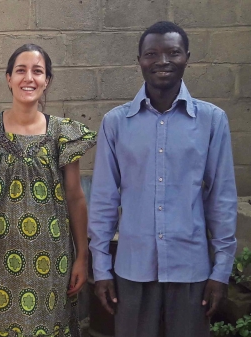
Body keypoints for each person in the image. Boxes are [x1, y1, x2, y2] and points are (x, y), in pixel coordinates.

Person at [88, 21, 237, 337]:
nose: (162, 61)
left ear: (187, 57)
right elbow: (103, 201)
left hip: (191, 270)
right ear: (139, 60)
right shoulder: (116, 123)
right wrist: (100, 268)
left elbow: (221, 200)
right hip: (132, 271)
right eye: (151, 53)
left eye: (173, 52)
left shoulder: (212, 121)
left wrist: (221, 272)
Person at [0, 44, 96, 337]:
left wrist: (82, 255)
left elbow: (75, 197)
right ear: (8, 78)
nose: (28, 77)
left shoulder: (63, 134)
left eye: (37, 71)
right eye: (20, 70)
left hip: (51, 263)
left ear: (47, 81)